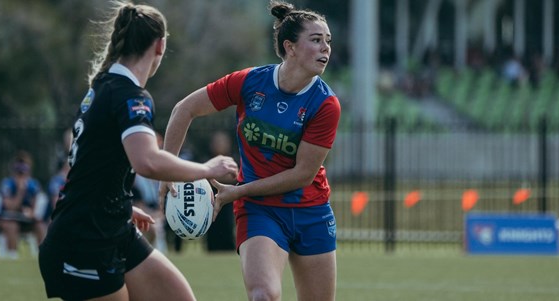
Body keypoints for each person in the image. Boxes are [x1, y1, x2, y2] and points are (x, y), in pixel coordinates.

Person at [37, 2, 238, 301]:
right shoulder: (128, 95)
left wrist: (119, 204)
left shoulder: (106, 86)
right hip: (84, 238)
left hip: (113, 225)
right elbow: (147, 161)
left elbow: (94, 162)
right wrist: (207, 169)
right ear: (160, 45)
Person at [162, 1, 340, 300]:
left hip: (311, 211)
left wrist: (238, 192)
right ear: (290, 47)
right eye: (316, 39)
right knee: (264, 295)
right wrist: (167, 172)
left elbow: (302, 175)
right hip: (261, 210)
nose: (326, 48)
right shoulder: (249, 82)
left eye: (328, 41)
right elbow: (184, 109)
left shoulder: (325, 104)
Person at [0, 150, 44, 259]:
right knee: (13, 225)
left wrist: (30, 213)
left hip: (25, 220)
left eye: (24, 172)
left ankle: (42, 255)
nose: (21, 175)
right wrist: (20, 192)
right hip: (7, 219)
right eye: (19, 172)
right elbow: (10, 207)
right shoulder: (7, 184)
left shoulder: (33, 185)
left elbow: (34, 209)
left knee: (40, 225)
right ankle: (13, 257)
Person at [203, 130, 237, 252]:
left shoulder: (233, 159)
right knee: (212, 228)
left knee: (228, 227)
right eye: (216, 142)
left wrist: (211, 174)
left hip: (229, 203)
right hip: (209, 202)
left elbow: (235, 176)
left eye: (222, 142)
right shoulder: (206, 160)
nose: (219, 144)